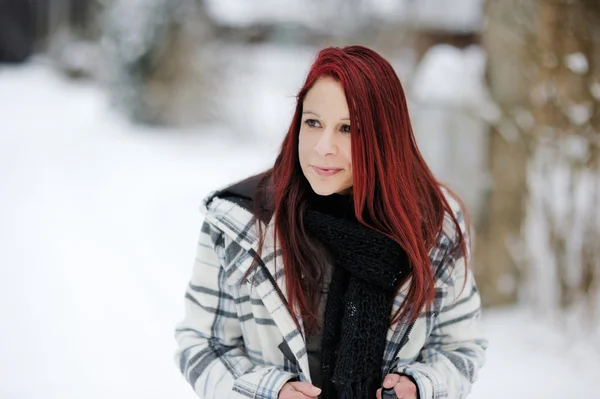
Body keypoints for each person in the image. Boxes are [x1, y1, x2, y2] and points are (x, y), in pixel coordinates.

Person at [174, 45, 487, 399]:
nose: (323, 146)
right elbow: (201, 343)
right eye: (313, 123)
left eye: (348, 129)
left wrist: (421, 386)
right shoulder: (240, 221)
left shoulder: (433, 223)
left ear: (385, 137)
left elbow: (461, 347)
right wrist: (268, 392)